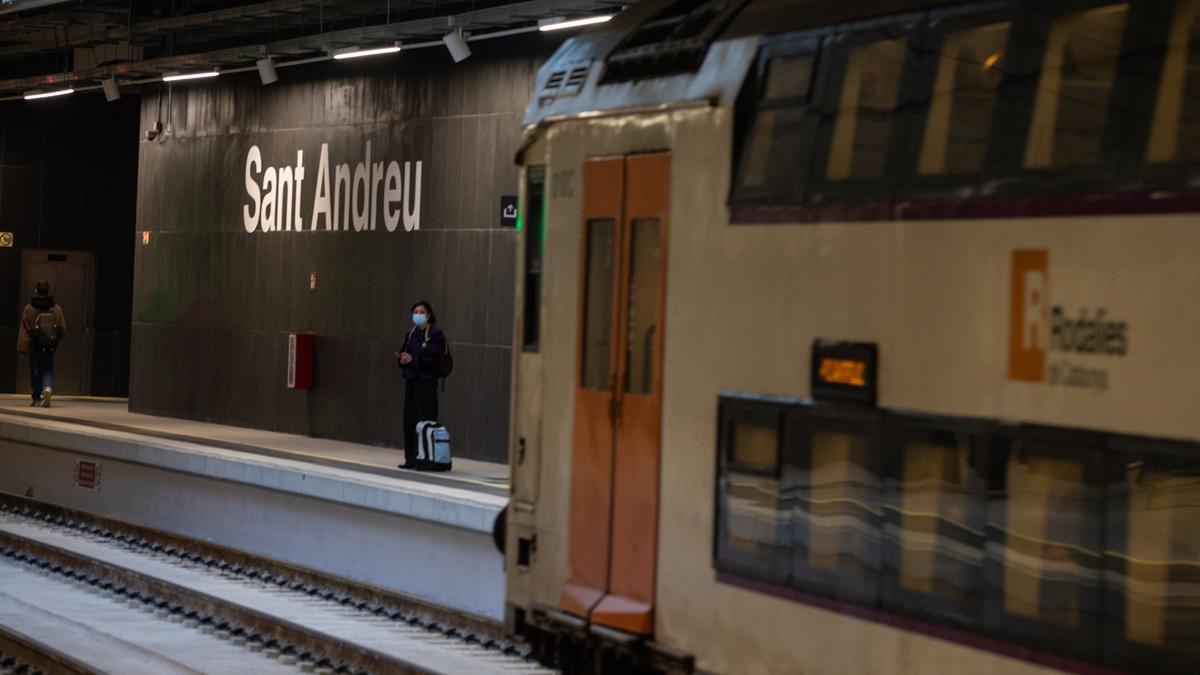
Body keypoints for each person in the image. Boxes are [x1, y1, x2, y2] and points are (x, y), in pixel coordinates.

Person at [394, 301, 445, 470]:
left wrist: (413, 360)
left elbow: (434, 359)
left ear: (429, 315)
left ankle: (427, 458)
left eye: (421, 311)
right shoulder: (411, 333)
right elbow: (404, 353)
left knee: (426, 421)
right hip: (411, 381)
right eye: (415, 311)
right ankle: (411, 458)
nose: (417, 314)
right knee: (409, 420)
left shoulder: (435, 334)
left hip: (427, 382)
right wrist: (402, 359)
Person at [16, 281, 66, 408]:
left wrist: (22, 349)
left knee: (35, 371)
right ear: (48, 290)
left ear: (36, 291)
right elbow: (62, 328)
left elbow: (25, 330)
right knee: (48, 368)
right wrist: (55, 342)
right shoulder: (56, 308)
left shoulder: (29, 308)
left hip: (35, 345)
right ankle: (48, 387)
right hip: (49, 346)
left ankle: (37, 398)